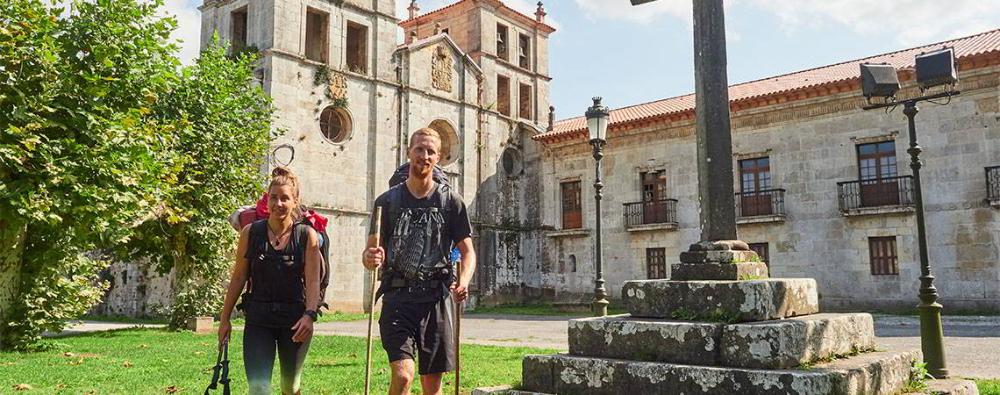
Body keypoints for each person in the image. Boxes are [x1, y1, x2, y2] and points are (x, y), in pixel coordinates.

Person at [363, 127, 477, 395]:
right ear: (408, 152)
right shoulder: (386, 201)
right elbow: (371, 253)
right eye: (419, 149)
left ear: (438, 157)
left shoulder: (452, 202)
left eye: (430, 151)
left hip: (436, 300)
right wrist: (371, 258)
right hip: (398, 298)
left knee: (431, 386)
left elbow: (468, 251)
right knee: (403, 377)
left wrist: (464, 280)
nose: (424, 155)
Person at [218, 167, 323, 395]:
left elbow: (313, 281)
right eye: (273, 197)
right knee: (258, 388)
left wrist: (309, 315)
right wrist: (224, 319)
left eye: (285, 198)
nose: (279, 203)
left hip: (295, 323)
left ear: (295, 202)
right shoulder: (250, 233)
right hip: (259, 321)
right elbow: (238, 277)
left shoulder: (306, 235)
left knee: (290, 387)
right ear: (267, 200)